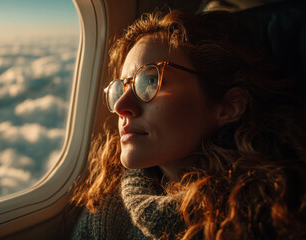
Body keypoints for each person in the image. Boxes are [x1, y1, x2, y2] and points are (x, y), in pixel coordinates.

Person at [70, 9, 306, 240]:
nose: (121, 106)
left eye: (150, 80)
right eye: (121, 87)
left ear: (228, 107)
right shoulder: (107, 208)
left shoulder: (271, 215)